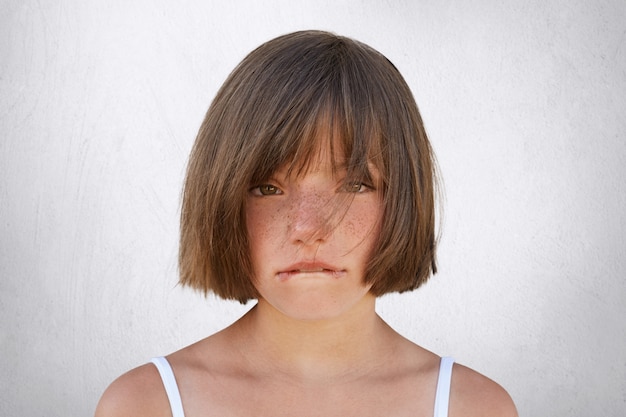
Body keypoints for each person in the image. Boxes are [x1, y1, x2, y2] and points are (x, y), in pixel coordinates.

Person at [95, 30, 517, 417]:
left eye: (354, 184)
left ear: (403, 199)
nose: (308, 227)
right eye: (267, 188)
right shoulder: (145, 405)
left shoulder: (475, 408)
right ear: (219, 201)